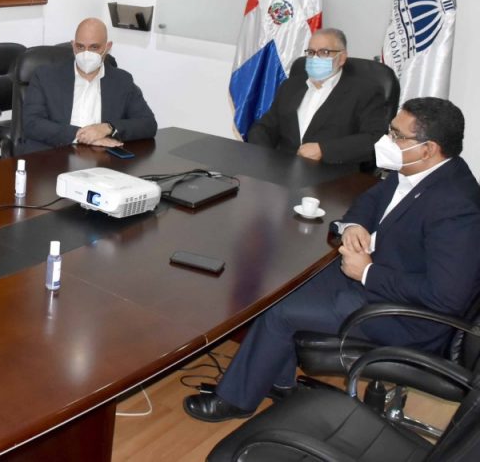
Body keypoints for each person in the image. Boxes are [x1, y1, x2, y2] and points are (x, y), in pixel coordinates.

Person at [184, 97, 480, 422]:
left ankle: (236, 400)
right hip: (378, 278)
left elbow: (447, 297)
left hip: (406, 317)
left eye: (397, 135)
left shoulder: (457, 206)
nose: (386, 141)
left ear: (428, 148)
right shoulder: (415, 170)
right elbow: (369, 200)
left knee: (281, 313)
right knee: (277, 287)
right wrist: (355, 226)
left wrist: (367, 272)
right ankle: (277, 382)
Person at [246, 28, 389, 164]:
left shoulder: (365, 92)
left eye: (324, 52)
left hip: (331, 174)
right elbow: (264, 127)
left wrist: (323, 150)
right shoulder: (291, 85)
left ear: (342, 58)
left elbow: (374, 139)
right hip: (282, 168)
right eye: (311, 52)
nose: (314, 58)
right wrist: (263, 157)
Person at [20, 17, 157, 154]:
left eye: (94, 47)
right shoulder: (46, 76)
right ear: (73, 46)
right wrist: (82, 136)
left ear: (107, 47)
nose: (86, 54)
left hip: (101, 158)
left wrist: (107, 128)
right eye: (80, 47)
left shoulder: (121, 81)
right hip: (54, 154)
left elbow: (148, 124)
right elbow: (32, 123)